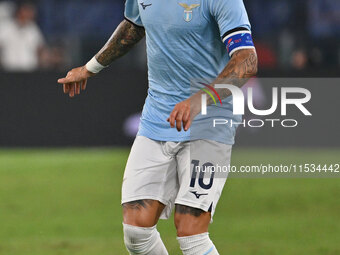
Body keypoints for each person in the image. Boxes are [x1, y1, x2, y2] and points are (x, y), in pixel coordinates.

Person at [58, 0, 257, 254]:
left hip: (209, 120)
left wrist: (199, 100)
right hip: (158, 117)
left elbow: (247, 60)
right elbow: (134, 26)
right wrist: (90, 68)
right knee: (136, 232)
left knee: (191, 233)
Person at [0, 1, 45, 72]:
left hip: (29, 71)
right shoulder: (6, 27)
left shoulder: (33, 29)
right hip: (9, 70)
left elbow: (39, 48)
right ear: (20, 11)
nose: (30, 14)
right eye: (27, 10)